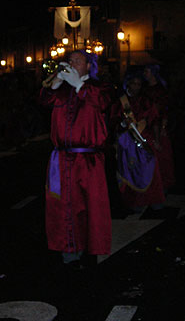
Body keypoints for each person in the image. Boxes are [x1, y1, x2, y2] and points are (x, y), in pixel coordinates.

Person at [39, 50, 113, 266]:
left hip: (88, 160)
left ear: (89, 66)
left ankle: (92, 247)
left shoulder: (100, 88)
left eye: (77, 61)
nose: (72, 64)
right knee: (65, 206)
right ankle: (70, 247)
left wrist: (80, 86)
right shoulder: (61, 90)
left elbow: (103, 102)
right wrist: (55, 82)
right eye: (69, 61)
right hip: (62, 159)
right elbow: (43, 100)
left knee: (91, 206)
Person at [112, 71, 164, 212]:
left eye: (139, 84)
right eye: (134, 83)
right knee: (132, 170)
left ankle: (154, 199)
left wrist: (157, 140)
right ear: (128, 83)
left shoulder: (146, 101)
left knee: (151, 169)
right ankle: (137, 202)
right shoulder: (120, 102)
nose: (136, 87)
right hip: (128, 141)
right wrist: (123, 124)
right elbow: (113, 123)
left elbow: (154, 121)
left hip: (145, 138)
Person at [143, 64, 176, 192]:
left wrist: (163, 126)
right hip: (147, 126)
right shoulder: (144, 89)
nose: (145, 73)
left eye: (147, 71)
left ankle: (163, 183)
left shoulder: (161, 90)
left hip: (158, 127)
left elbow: (165, 109)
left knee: (162, 156)